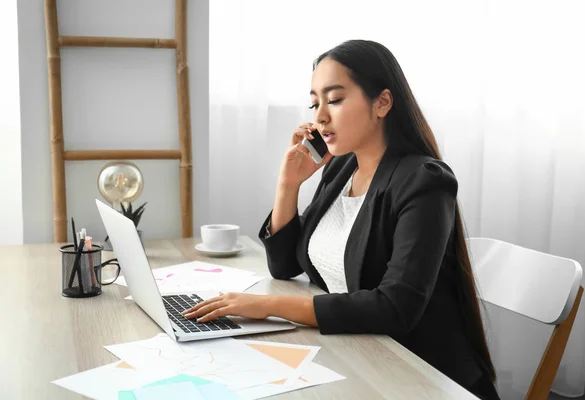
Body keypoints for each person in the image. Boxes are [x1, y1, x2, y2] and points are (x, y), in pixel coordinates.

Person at [183, 39, 500, 399]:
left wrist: (269, 306)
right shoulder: (342, 168)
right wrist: (288, 185)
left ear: (381, 102)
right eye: (315, 103)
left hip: (418, 374)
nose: (319, 116)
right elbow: (285, 265)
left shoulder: (425, 180)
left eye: (333, 100)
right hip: (360, 356)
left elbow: (395, 307)